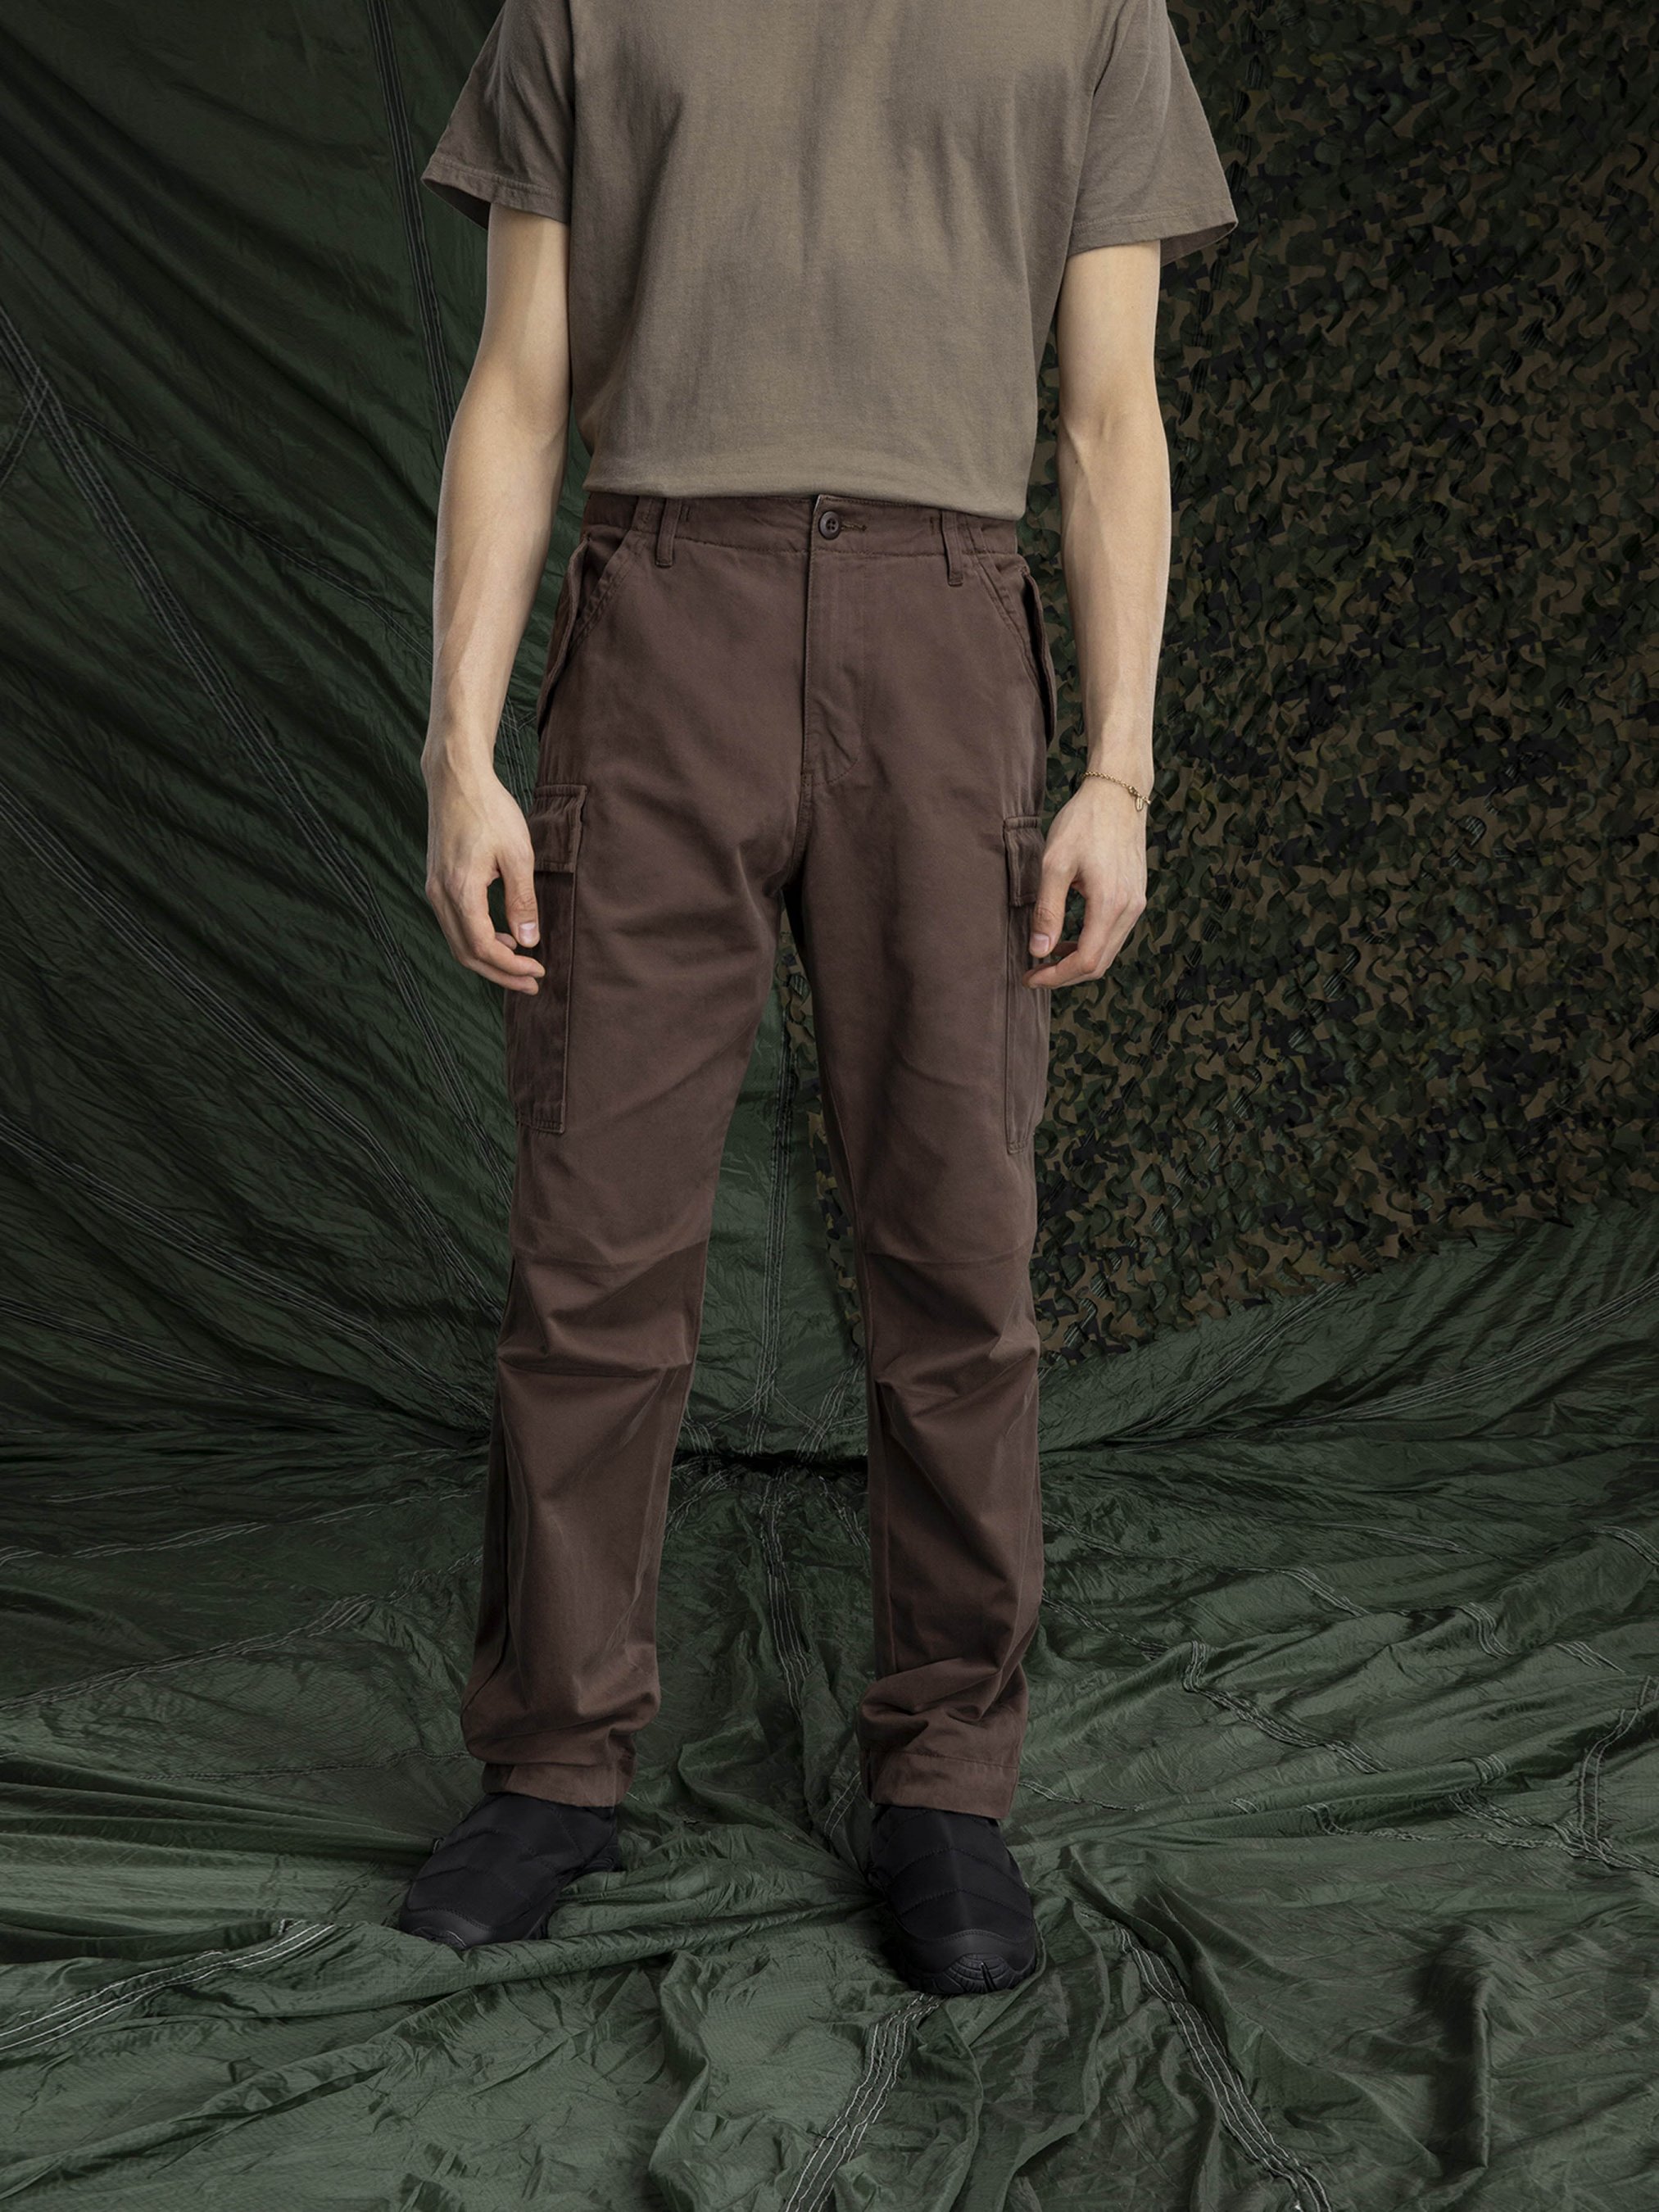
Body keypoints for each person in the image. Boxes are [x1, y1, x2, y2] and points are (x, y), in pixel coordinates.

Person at [395, 0, 1236, 1997]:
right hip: (656, 611)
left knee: (956, 1254)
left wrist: (1118, 770)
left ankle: (946, 1779)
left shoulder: (1092, 11)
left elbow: (1108, 414)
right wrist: (456, 746)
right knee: (591, 1257)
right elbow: (517, 383)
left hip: (943, 635)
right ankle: (549, 1765)